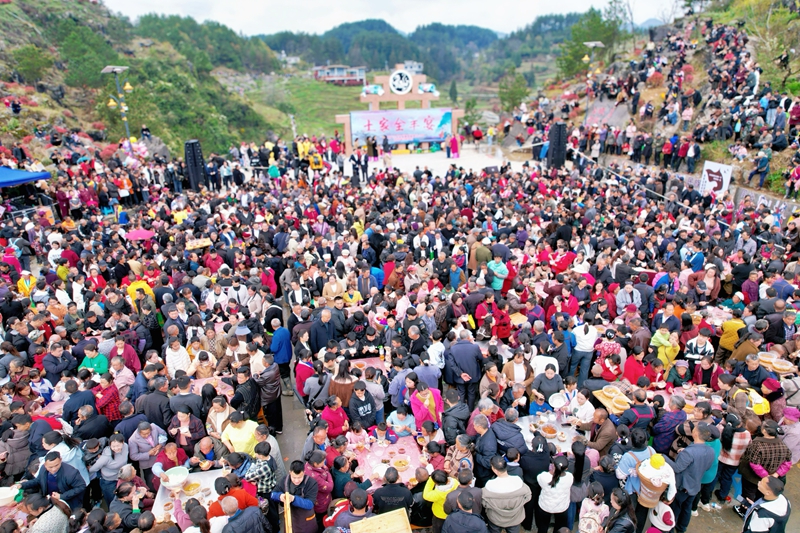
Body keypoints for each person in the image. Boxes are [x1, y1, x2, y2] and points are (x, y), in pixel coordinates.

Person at [17, 451, 87, 511]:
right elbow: (38, 480)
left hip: (68, 501)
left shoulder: (71, 473)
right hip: (50, 499)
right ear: (45, 465)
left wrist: (62, 496)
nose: (54, 469)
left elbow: (81, 486)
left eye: (56, 465)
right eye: (50, 467)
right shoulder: (43, 469)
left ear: (61, 460)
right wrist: (23, 485)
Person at [482, 455, 531, 533]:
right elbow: (528, 496)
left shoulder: (490, 485)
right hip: (515, 519)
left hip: (495, 519)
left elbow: (484, 502)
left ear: (494, 469)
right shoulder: (517, 480)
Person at [271, 460, 319, 533]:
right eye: (294, 477)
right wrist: (280, 496)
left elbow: (309, 504)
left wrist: (293, 499)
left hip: (306, 520)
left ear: (304, 472)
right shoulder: (285, 480)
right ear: (290, 472)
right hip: (290, 518)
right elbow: (273, 494)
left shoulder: (312, 483)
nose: (296, 481)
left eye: (299, 477)